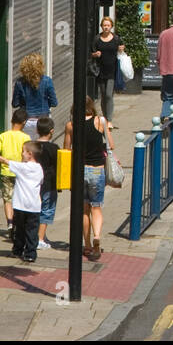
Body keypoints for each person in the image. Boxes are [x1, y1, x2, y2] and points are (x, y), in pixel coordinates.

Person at [0, 140, 43, 263]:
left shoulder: (21, 167)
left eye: (23, 151)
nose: (21, 154)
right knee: (32, 231)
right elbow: (40, 183)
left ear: (29, 154)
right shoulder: (39, 169)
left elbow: (4, 160)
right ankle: (30, 253)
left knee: (19, 229)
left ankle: (17, 250)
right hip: (34, 206)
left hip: (20, 205)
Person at [64, 97, 112, 260]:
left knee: (84, 210)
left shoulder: (71, 126)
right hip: (97, 170)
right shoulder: (100, 121)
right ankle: (97, 236)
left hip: (80, 171)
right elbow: (111, 145)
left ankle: (87, 245)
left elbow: (67, 149)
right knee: (96, 207)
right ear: (92, 107)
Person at [0, 107, 30, 230]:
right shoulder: (26, 138)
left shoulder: (3, 136)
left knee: (7, 198)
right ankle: (19, 222)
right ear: (24, 122)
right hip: (21, 172)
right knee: (20, 198)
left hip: (6, 171)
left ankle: (10, 222)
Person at [11, 52, 58, 141]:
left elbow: (15, 104)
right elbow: (54, 103)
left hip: (26, 121)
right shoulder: (47, 81)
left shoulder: (20, 82)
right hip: (43, 121)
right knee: (41, 148)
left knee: (27, 148)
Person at [88, 17, 125, 120]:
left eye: (108, 25)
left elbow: (121, 50)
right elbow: (91, 54)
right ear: (101, 26)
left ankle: (109, 120)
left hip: (112, 70)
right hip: (100, 70)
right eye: (104, 25)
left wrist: (121, 49)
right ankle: (104, 116)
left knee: (109, 95)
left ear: (111, 26)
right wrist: (95, 54)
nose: (106, 27)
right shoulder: (96, 39)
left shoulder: (116, 38)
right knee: (103, 96)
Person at [34, 117, 59, 250]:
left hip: (33, 184)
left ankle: (37, 235)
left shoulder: (31, 146)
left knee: (35, 210)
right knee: (46, 210)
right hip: (49, 184)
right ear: (52, 131)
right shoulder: (54, 148)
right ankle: (40, 239)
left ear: (37, 130)